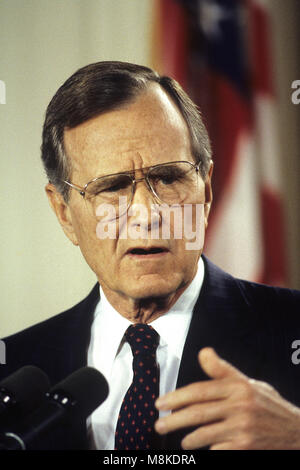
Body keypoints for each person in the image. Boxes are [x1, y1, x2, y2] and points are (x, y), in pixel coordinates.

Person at [1, 61, 300, 451]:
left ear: (206, 192)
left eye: (170, 178)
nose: (147, 214)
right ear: (64, 213)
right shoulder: (14, 367)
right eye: (113, 187)